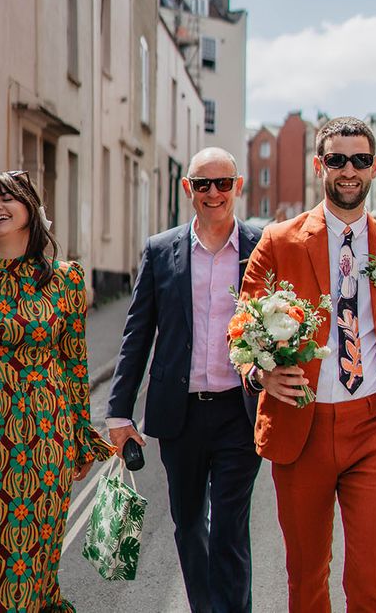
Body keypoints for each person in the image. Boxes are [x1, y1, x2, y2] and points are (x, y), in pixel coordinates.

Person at [240, 116, 376, 612]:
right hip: (301, 426)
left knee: (370, 581)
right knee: (306, 579)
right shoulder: (278, 241)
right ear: (318, 165)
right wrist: (260, 372)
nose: (349, 170)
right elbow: (240, 327)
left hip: (372, 428)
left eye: (361, 160)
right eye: (337, 159)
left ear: (374, 170)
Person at [106, 148, 262, 613]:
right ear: (187, 188)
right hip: (181, 414)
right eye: (202, 184)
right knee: (190, 526)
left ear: (238, 185)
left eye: (222, 183)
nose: (213, 193)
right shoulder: (160, 251)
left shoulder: (261, 246)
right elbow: (138, 333)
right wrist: (118, 411)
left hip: (241, 411)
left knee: (231, 527)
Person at [0, 171, 113, 611]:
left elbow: (75, 363)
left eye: (7, 197)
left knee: (28, 561)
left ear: (31, 209)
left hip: (41, 442)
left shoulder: (65, 280)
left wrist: (81, 438)